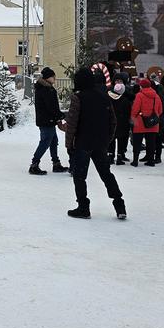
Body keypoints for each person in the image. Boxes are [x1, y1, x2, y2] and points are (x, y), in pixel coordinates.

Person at [64, 68, 126, 220]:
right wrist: (107, 139)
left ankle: (83, 207)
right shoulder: (104, 97)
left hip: (83, 143)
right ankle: (120, 206)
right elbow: (113, 121)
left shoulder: (78, 97)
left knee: (79, 176)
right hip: (100, 143)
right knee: (106, 174)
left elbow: (72, 123)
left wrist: (69, 144)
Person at [28, 67, 69, 175]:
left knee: (53, 141)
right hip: (46, 120)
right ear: (48, 77)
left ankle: (56, 164)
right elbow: (51, 107)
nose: (55, 78)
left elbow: (51, 107)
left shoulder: (45, 88)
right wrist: (61, 116)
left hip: (48, 120)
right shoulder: (46, 90)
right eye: (53, 76)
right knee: (45, 142)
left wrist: (58, 116)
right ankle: (34, 164)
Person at [130, 78, 163, 167]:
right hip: (153, 122)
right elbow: (160, 110)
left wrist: (133, 117)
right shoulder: (156, 96)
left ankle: (135, 161)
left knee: (137, 142)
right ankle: (151, 160)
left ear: (141, 86)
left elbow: (135, 109)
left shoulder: (139, 95)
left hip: (140, 121)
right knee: (151, 142)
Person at [110, 73, 132, 165]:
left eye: (120, 81)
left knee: (120, 139)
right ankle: (114, 155)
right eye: (117, 81)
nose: (118, 83)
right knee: (115, 139)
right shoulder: (111, 93)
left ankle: (119, 154)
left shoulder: (127, 94)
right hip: (119, 121)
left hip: (119, 121)